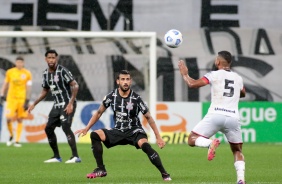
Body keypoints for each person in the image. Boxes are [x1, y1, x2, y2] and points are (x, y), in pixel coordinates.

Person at [74, 70, 171, 181]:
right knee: (95, 135)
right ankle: (101, 169)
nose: (125, 82)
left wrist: (158, 137)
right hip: (118, 131)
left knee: (145, 146)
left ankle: (165, 174)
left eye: (127, 79)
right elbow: (99, 112)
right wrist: (87, 128)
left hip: (135, 130)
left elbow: (149, 118)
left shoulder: (136, 98)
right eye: (123, 79)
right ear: (118, 81)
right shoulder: (111, 96)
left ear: (131, 81)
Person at [178, 51, 246, 184]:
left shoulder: (213, 74)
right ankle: (241, 179)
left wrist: (185, 74)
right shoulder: (238, 78)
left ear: (218, 62)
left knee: (192, 139)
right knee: (237, 150)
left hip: (216, 114)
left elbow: (192, 84)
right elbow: (242, 93)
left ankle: (209, 143)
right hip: (233, 118)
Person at [27, 49, 81, 164]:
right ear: (46, 59)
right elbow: (45, 91)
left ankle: (75, 156)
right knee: (48, 128)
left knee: (65, 126)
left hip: (67, 103)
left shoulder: (62, 71)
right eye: (49, 58)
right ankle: (57, 156)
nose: (51, 60)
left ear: (56, 59)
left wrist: (71, 103)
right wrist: (34, 104)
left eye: (53, 58)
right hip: (57, 105)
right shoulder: (45, 74)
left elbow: (75, 85)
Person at [0, 56, 32, 147]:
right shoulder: (10, 72)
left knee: (20, 119)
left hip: (22, 99)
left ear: (23, 63)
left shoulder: (27, 73)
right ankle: (11, 135)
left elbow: (29, 87)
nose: (19, 64)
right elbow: (6, 84)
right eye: (18, 62)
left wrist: (27, 100)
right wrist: (2, 94)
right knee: (8, 119)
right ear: (16, 63)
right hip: (11, 99)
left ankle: (17, 141)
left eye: (21, 62)